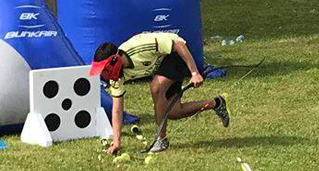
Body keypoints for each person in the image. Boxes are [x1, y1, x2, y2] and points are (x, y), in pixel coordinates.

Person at [90, 32, 229, 155]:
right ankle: (216, 103)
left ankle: (161, 140)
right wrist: (117, 142)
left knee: (157, 87)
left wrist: (195, 73)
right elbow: (117, 109)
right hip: (164, 66)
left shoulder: (138, 47)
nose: (105, 76)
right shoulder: (117, 77)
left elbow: (178, 44)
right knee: (173, 112)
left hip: (176, 54)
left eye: (105, 70)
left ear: (115, 61)